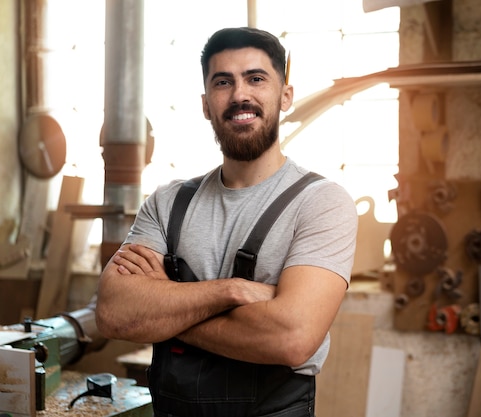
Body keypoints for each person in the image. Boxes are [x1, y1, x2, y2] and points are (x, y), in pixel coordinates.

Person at [95, 27, 358, 417]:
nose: (240, 96)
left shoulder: (321, 203)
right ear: (206, 104)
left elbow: (292, 338)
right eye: (223, 82)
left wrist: (163, 310)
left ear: (285, 96)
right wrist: (231, 292)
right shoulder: (167, 203)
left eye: (256, 78)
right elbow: (112, 312)